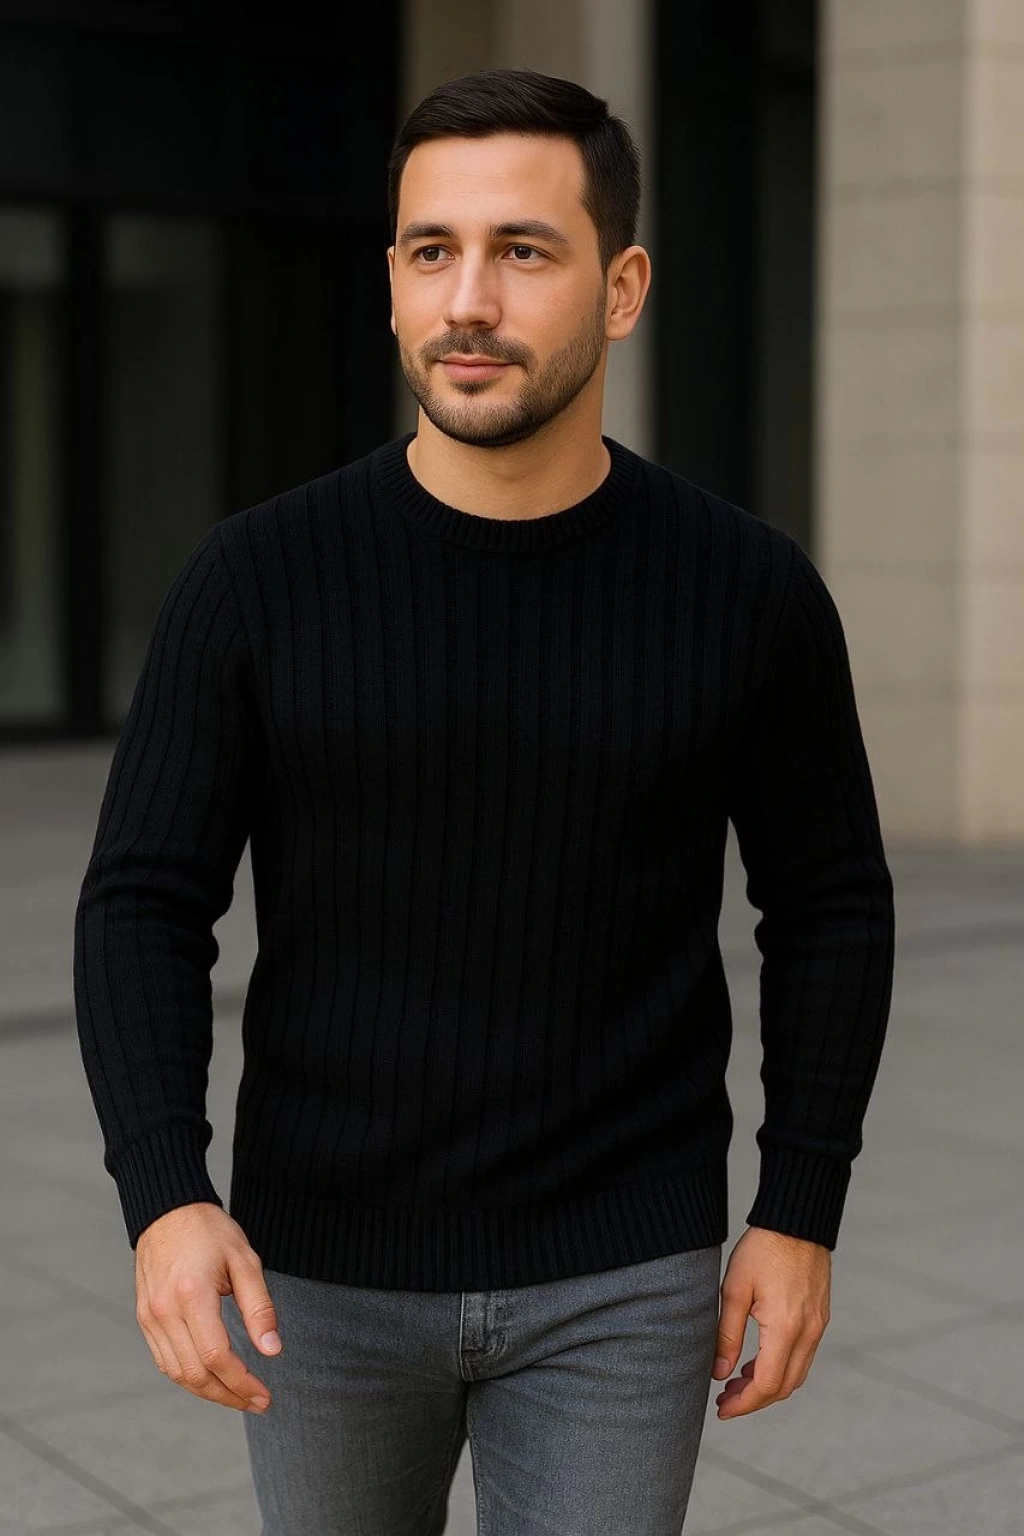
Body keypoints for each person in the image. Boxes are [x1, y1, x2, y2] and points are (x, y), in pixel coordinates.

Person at [73, 66, 896, 1536]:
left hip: (623, 1278)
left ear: (621, 286)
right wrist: (164, 1193)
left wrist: (799, 1210)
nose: (469, 301)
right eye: (430, 250)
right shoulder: (254, 580)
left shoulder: (748, 592)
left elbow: (829, 906)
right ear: (391, 280)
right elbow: (143, 900)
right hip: (319, 1277)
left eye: (524, 250)